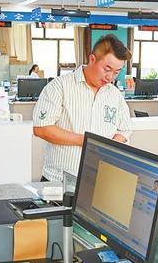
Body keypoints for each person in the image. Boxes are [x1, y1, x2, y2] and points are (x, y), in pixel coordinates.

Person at [33, 34, 132, 182]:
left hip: (98, 182)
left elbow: (125, 129)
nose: (110, 77)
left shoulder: (114, 94)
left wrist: (108, 148)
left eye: (116, 72)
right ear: (92, 59)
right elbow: (42, 128)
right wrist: (87, 141)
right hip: (59, 181)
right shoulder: (60, 86)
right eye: (107, 69)